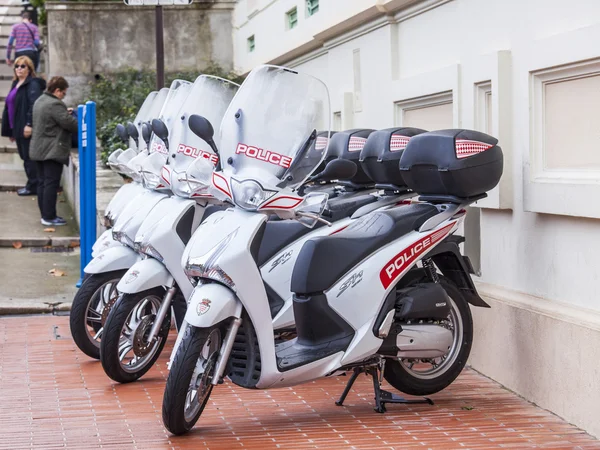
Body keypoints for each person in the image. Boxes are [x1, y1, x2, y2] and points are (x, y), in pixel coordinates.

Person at [30, 77, 78, 227]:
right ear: (57, 91)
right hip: (51, 150)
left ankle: (45, 215)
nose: (63, 96)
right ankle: (49, 217)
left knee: (42, 183)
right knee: (51, 184)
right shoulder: (55, 104)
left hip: (38, 148)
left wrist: (64, 111)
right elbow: (71, 124)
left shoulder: (41, 100)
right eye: (63, 93)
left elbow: (53, 117)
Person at [1, 55, 45, 196]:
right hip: (17, 127)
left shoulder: (32, 84)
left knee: (29, 158)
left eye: (23, 66)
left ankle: (34, 186)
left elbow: (34, 105)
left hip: (26, 127)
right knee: (25, 157)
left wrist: (29, 124)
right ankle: (32, 184)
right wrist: (11, 130)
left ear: (29, 69)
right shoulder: (16, 84)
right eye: (17, 66)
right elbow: (10, 107)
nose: (19, 69)